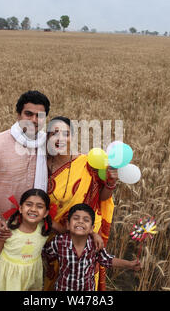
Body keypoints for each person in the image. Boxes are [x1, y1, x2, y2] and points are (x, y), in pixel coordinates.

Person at [0, 90, 50, 271]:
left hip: (32, 230)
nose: (34, 120)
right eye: (28, 114)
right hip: (0, 230)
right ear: (18, 114)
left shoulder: (47, 145)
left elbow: (70, 163)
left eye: (40, 116)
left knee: (26, 275)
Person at [44, 116, 118, 290]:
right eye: (54, 133)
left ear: (73, 138)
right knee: (53, 278)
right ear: (47, 138)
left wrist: (111, 183)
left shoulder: (87, 163)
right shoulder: (40, 165)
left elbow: (101, 197)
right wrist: (59, 228)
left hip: (85, 235)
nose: (60, 138)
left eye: (66, 134)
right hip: (53, 236)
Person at [43, 203, 140, 291]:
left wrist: (130, 264)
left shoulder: (95, 244)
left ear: (91, 228)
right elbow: (45, 253)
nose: (80, 222)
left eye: (86, 220)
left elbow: (108, 260)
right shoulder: (59, 241)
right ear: (68, 225)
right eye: (76, 218)